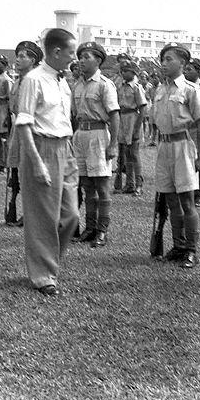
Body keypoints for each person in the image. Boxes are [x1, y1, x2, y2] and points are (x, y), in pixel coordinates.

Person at [15, 28, 79, 296]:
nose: (74, 57)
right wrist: (37, 162)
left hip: (66, 147)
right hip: (42, 147)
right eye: (71, 52)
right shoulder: (34, 79)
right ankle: (43, 275)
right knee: (43, 216)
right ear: (56, 51)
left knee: (71, 215)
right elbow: (24, 124)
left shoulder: (62, 80)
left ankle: (48, 261)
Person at [152, 43, 200, 269]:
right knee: (171, 199)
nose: (164, 64)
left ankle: (191, 249)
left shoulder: (190, 89)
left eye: (169, 59)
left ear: (182, 63)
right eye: (163, 60)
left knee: (187, 200)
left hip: (183, 145)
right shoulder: (159, 89)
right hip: (164, 146)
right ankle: (178, 245)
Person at [71, 41, 120, 247]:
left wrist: (113, 144)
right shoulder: (77, 85)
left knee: (101, 185)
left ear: (98, 60)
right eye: (80, 57)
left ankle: (102, 230)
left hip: (99, 134)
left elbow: (114, 115)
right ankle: (90, 228)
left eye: (86, 57)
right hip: (81, 135)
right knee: (86, 184)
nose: (81, 61)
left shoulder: (104, 84)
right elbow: (75, 115)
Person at [5, 40, 43, 226]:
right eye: (17, 56)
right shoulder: (17, 82)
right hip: (18, 130)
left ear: (33, 60)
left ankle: (34, 214)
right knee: (19, 173)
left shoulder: (37, 81)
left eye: (22, 56)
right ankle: (25, 211)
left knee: (33, 174)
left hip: (33, 131)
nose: (17, 60)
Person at [115, 57, 147, 196]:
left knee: (134, 153)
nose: (123, 73)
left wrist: (137, 128)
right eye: (122, 71)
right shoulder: (120, 86)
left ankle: (139, 184)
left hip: (133, 119)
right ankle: (129, 184)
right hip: (122, 119)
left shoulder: (137, 87)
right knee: (125, 154)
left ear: (133, 72)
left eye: (126, 71)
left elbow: (143, 108)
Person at [182, 58, 200, 207]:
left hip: (197, 130)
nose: (186, 72)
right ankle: (189, 192)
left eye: (190, 69)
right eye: (185, 69)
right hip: (184, 130)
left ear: (199, 72)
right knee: (186, 162)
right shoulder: (183, 86)